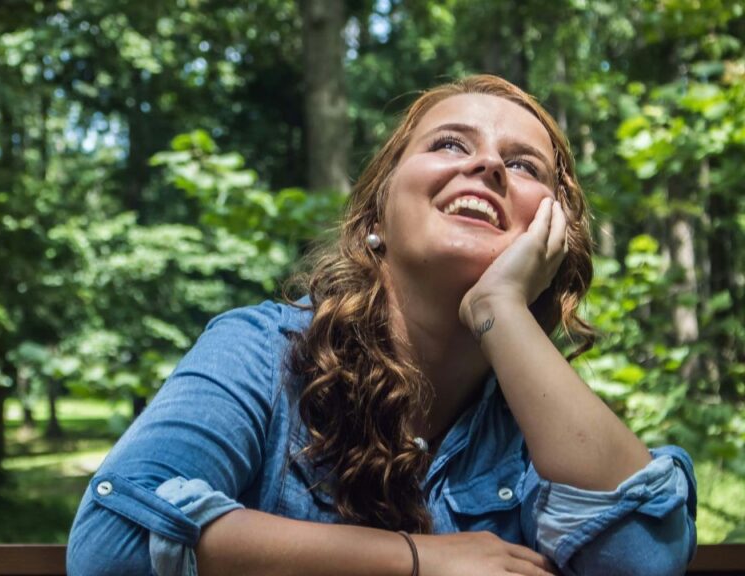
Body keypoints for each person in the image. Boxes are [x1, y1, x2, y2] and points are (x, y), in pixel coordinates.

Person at [66, 75, 697, 576]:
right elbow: (112, 544)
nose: (488, 166)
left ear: (551, 235)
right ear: (378, 214)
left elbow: (643, 561)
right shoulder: (260, 351)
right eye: (450, 143)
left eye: (525, 164)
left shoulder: (544, 424)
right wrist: (419, 561)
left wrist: (498, 308)